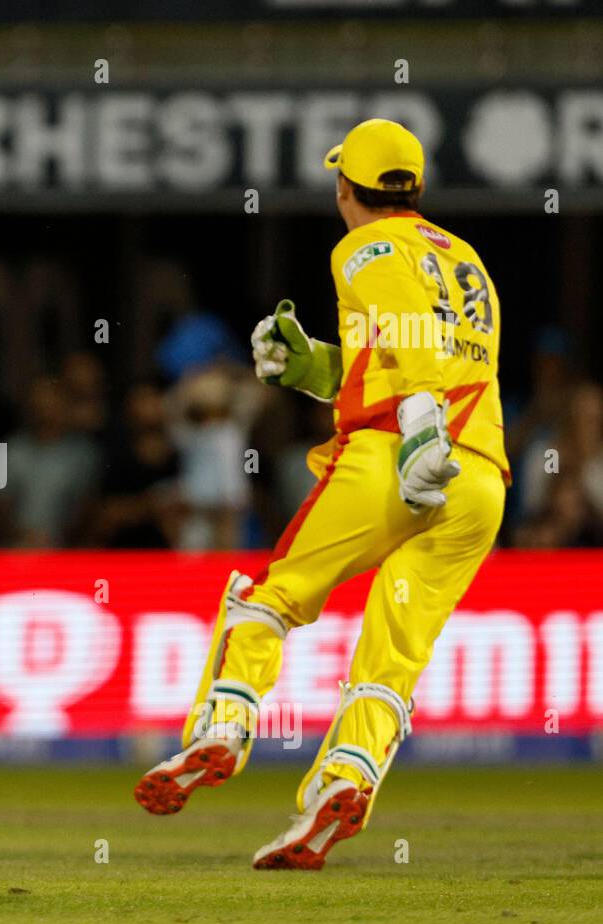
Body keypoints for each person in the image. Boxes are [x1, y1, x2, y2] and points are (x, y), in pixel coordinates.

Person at [133, 119, 509, 869]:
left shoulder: (364, 247)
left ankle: (223, 727)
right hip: (482, 484)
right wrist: (310, 368)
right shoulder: (464, 257)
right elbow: (399, 354)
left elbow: (411, 342)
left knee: (270, 597)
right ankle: (347, 778)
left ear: (344, 188)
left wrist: (421, 429)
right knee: (393, 654)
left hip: (398, 459)